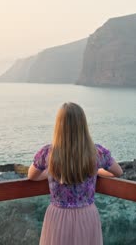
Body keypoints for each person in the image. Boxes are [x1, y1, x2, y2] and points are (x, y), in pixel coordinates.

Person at [28, 102, 123, 245]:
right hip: (86, 214)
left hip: (58, 216)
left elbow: (32, 176)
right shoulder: (97, 152)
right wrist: (96, 171)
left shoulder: (47, 153)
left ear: (59, 125)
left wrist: (49, 172)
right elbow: (118, 172)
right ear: (83, 125)